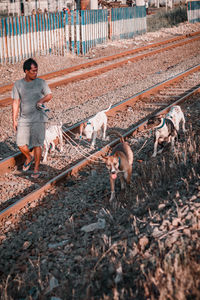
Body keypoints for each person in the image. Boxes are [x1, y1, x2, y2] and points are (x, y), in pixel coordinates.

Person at [12, 58, 52, 178]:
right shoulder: (18, 84)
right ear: (26, 71)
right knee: (20, 143)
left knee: (37, 144)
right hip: (24, 118)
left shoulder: (41, 82)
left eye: (36, 71)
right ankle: (29, 157)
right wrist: (14, 119)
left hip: (39, 117)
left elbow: (49, 95)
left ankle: (36, 168)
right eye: (33, 71)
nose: (35, 73)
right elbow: (15, 102)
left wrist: (42, 100)